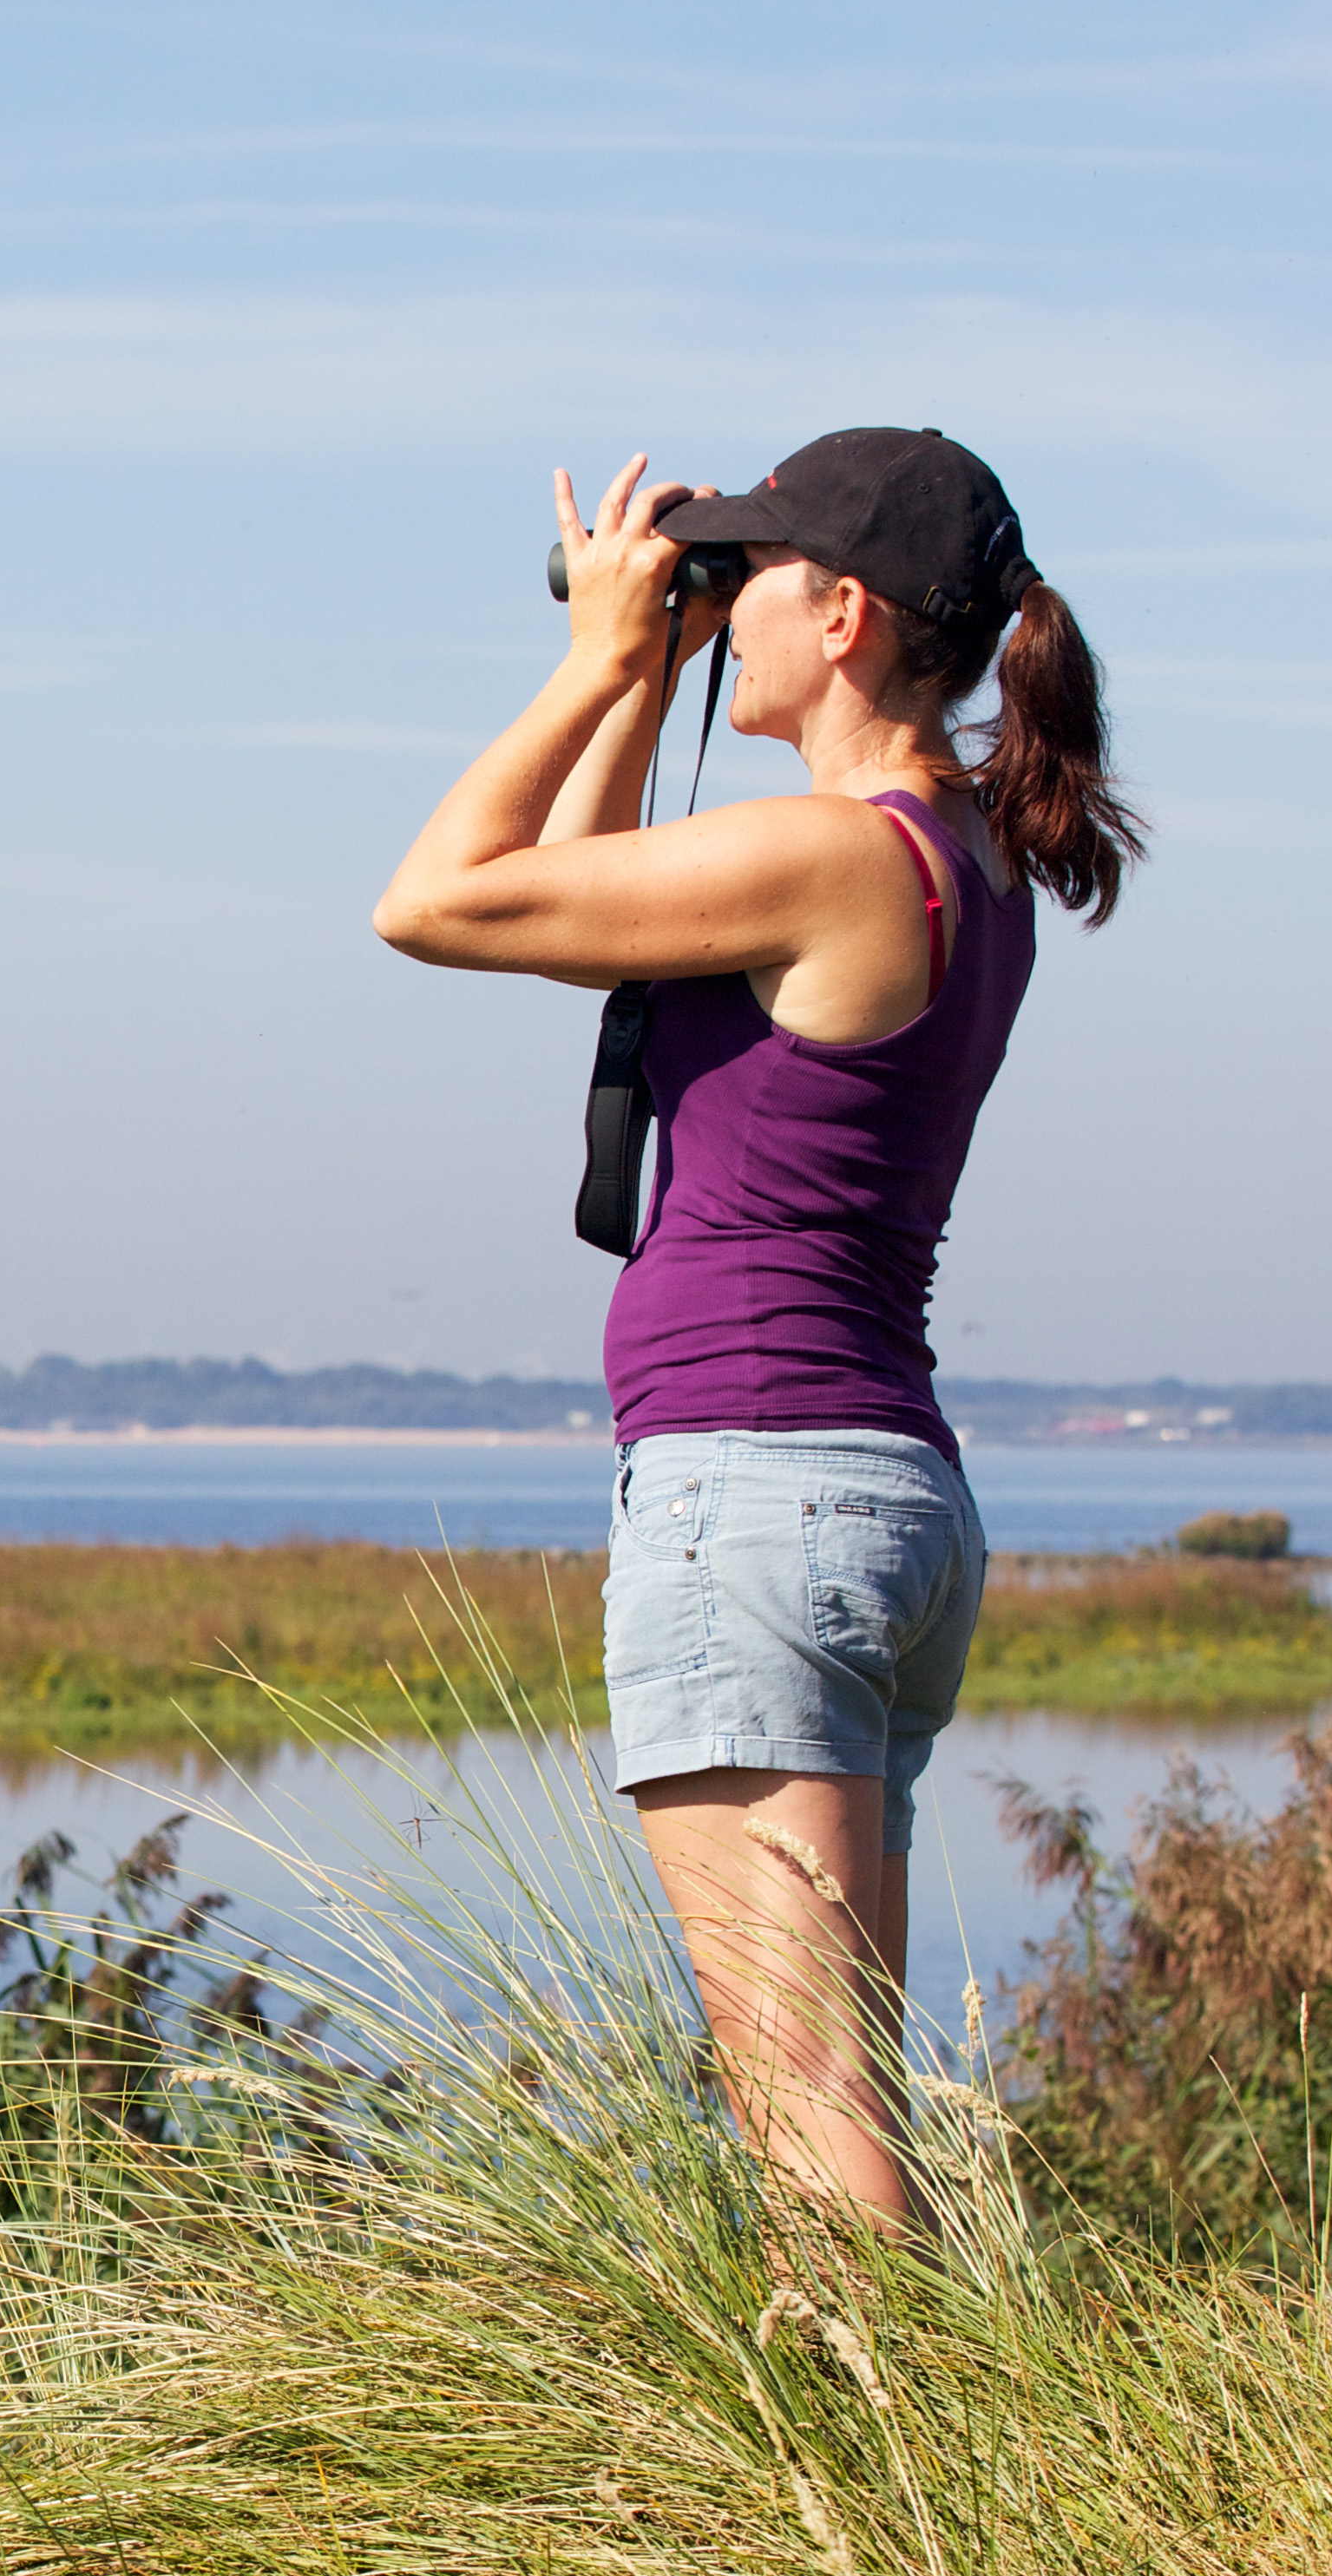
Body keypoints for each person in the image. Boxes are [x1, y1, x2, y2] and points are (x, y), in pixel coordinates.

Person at [368, 426, 1139, 2240]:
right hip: (873, 1494)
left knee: (801, 2101)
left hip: (760, 1499)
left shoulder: (833, 854)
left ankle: (902, 2428)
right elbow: (589, 920)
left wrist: (598, 659)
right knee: (840, 2085)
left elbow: (439, 901)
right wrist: (652, 670)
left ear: (845, 613)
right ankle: (919, 2413)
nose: (729, 605)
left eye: (757, 572)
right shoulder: (953, 856)